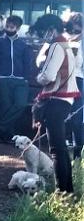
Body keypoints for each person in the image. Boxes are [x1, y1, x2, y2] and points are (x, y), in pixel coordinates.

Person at [34, 14, 79, 193]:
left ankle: (62, 191)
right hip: (65, 100)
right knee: (60, 148)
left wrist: (38, 77)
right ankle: (67, 190)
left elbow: (48, 76)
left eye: (42, 32)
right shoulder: (66, 45)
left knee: (56, 149)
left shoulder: (56, 46)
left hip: (56, 100)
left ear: (51, 29)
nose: (42, 36)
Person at [0, 15, 32, 143]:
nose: (8, 29)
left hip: (20, 80)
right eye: (7, 26)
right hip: (3, 79)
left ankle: (0, 126)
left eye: (12, 27)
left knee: (21, 104)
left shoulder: (23, 45)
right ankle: (4, 136)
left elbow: (27, 63)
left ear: (17, 28)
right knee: (6, 106)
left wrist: (25, 78)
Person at [65, 12, 83, 158]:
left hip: (78, 80)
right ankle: (63, 146)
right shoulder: (62, 39)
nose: (74, 33)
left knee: (77, 117)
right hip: (61, 81)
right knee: (62, 115)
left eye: (78, 30)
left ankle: (78, 153)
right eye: (72, 29)